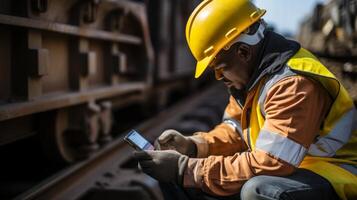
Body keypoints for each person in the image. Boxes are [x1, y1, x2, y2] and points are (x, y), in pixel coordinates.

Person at [133, 0, 357, 199]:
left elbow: (271, 164)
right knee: (177, 179)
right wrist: (193, 146)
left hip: (335, 172)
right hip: (297, 168)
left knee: (259, 190)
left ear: (243, 52)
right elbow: (234, 131)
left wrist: (186, 168)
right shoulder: (252, 81)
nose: (219, 77)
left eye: (220, 68)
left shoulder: (292, 84)